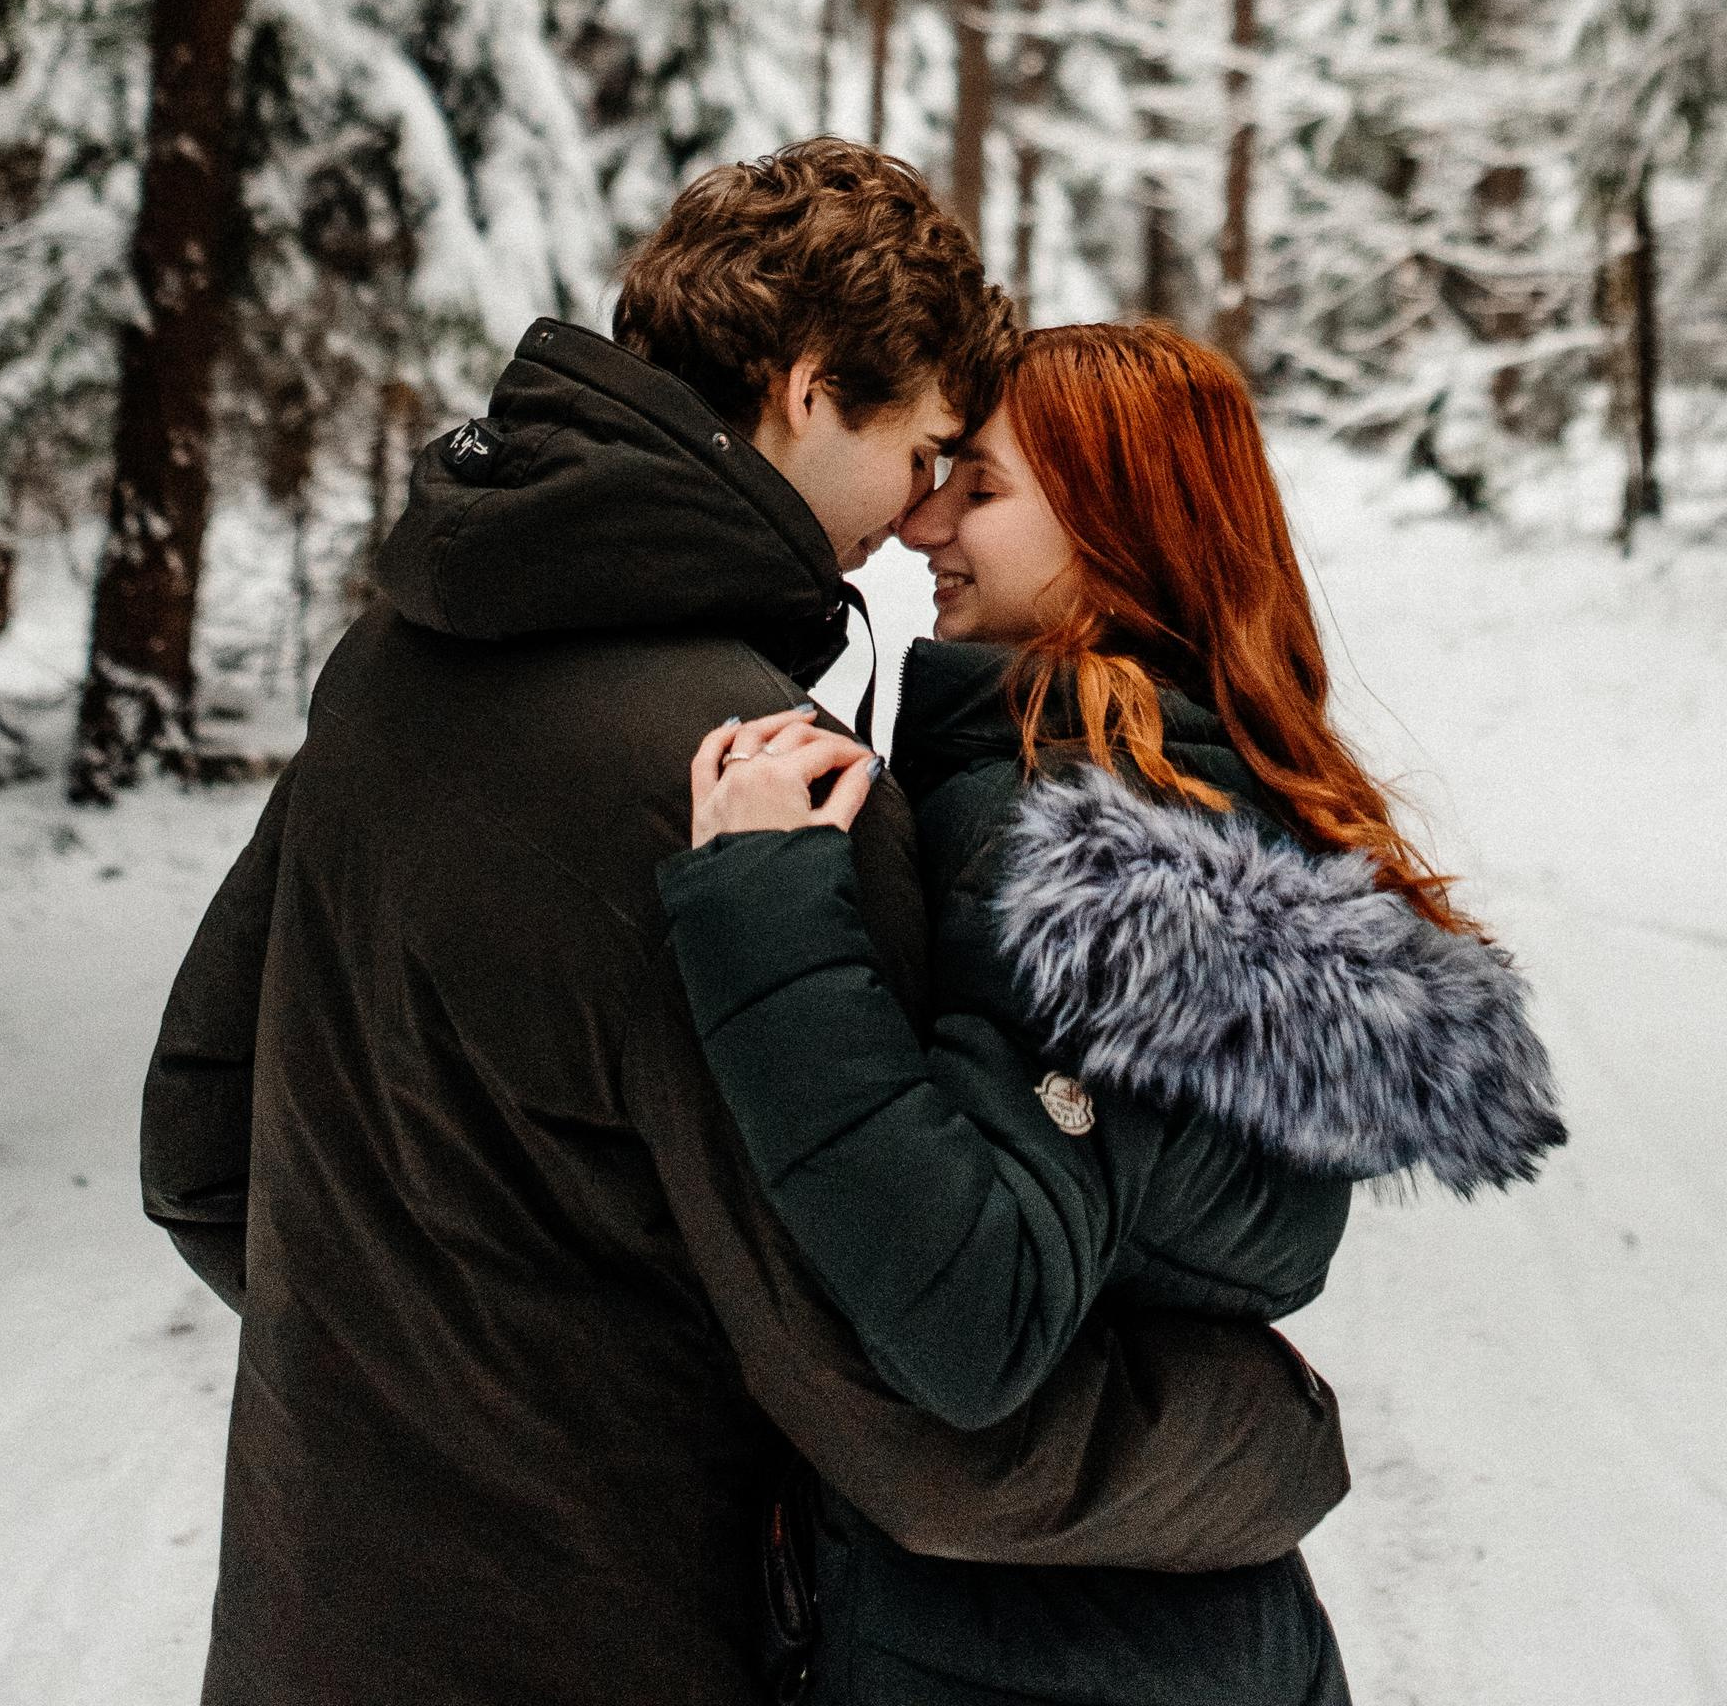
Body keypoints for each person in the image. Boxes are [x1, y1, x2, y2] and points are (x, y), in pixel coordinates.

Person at [140, 149, 1346, 1706]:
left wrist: (440, 1366)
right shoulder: (754, 785)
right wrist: (1260, 1444)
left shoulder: (393, 661)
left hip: (314, 1629)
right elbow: (921, 1428)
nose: (920, 515)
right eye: (922, 451)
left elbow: (199, 1149)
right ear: (803, 387)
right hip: (615, 1634)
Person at [661, 315, 1565, 1706]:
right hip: (1167, 1636)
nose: (924, 527)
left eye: (986, 488)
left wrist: (767, 917)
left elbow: (973, 1313)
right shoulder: (1190, 811)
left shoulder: (1094, 866)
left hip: (1023, 1657)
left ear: (1122, 531)